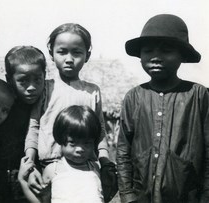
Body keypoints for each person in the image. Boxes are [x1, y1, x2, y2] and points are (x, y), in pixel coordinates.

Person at [116, 14, 209, 203]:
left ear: (182, 55)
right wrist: (127, 194)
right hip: (141, 196)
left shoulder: (199, 95)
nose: (156, 57)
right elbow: (123, 150)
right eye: (148, 51)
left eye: (166, 51)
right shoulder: (134, 97)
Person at [24, 23, 117, 202]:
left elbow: (100, 130)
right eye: (62, 52)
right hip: (50, 166)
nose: (69, 58)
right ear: (51, 53)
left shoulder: (92, 91)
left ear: (87, 55)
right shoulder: (45, 88)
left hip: (86, 165)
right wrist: (29, 159)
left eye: (76, 52)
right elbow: (34, 125)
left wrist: (104, 161)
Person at [0, 46, 46, 202]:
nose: (31, 87)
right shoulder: (3, 106)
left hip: (32, 178)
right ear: (9, 79)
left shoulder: (46, 106)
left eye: (37, 80)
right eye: (23, 81)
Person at [20, 105, 105, 203]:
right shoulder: (53, 170)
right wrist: (22, 181)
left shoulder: (94, 168)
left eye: (87, 143)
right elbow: (42, 201)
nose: (80, 149)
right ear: (60, 140)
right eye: (72, 143)